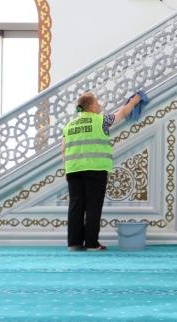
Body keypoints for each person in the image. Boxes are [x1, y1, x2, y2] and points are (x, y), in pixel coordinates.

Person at [62, 91, 142, 251]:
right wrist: (133, 102)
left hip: (73, 170)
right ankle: (91, 243)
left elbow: (63, 150)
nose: (99, 106)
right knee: (93, 206)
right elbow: (122, 113)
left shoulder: (69, 126)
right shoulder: (101, 120)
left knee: (75, 206)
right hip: (95, 168)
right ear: (91, 106)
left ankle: (74, 243)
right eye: (97, 103)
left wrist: (68, 168)